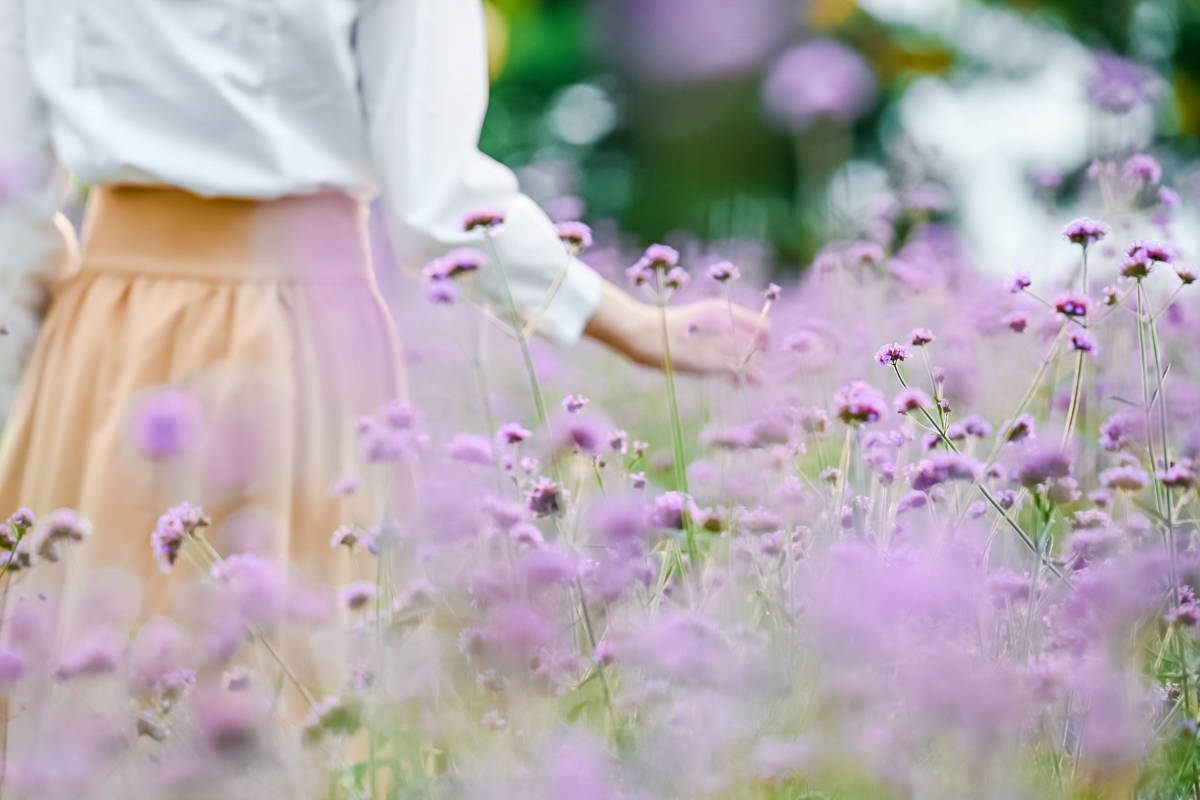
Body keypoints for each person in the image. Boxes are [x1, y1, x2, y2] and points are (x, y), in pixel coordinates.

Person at [0, 0, 764, 624]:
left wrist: (28, 409)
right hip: (290, 336)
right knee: (281, 686)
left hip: (98, 348)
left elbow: (11, 207)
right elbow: (437, 204)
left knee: (92, 687)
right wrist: (629, 320)